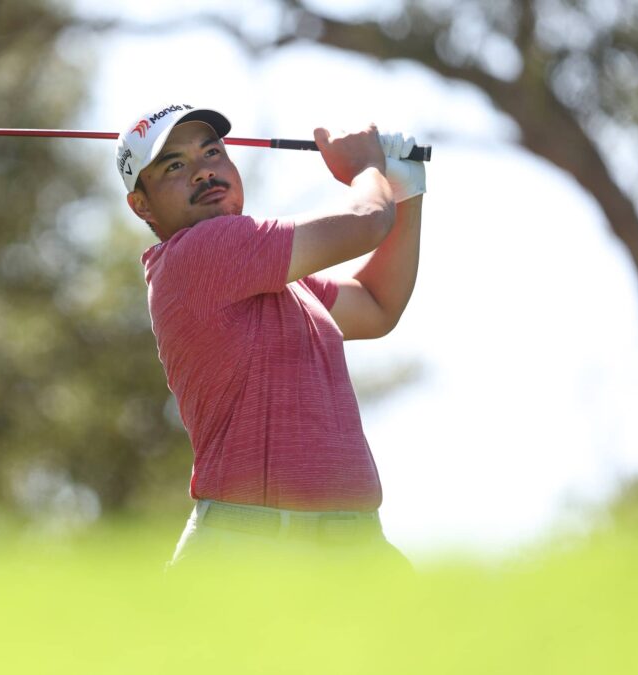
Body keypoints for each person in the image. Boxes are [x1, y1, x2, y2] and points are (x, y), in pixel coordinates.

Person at [115, 103, 426, 570]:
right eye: (174, 166)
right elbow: (365, 220)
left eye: (212, 152)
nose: (203, 172)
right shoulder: (200, 254)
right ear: (141, 205)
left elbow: (376, 305)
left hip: (351, 548)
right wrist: (367, 168)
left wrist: (405, 193)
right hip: (253, 551)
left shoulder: (273, 280)